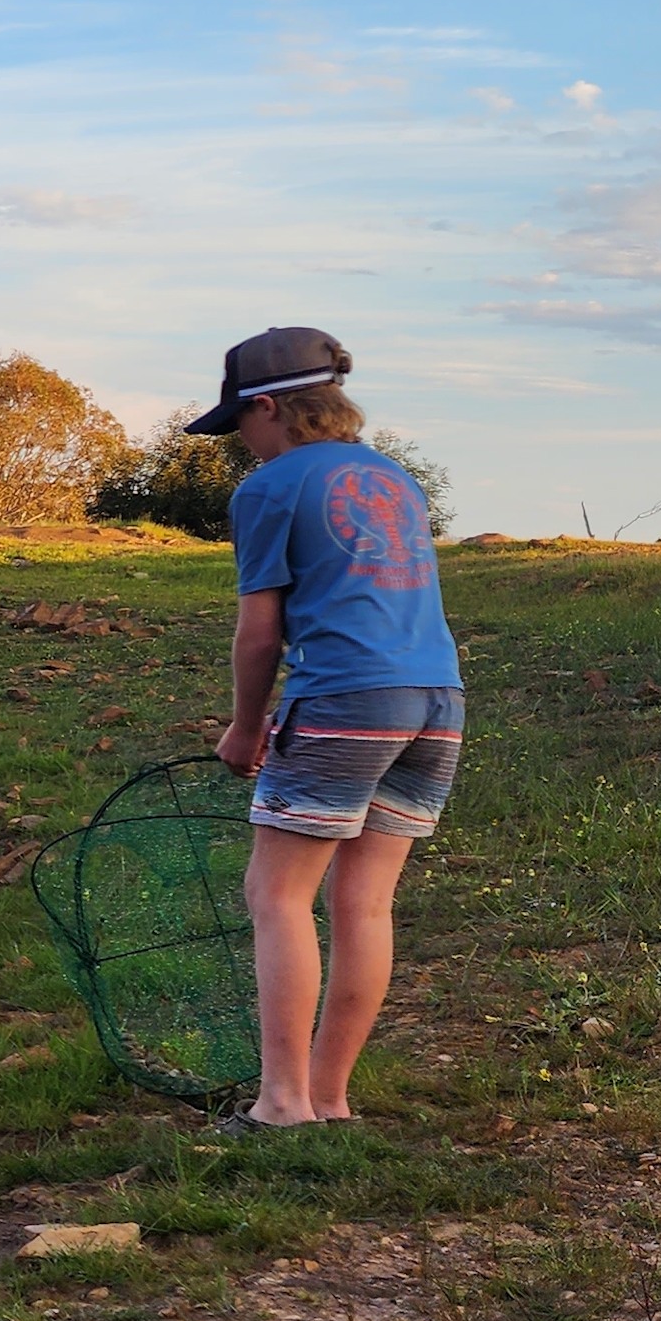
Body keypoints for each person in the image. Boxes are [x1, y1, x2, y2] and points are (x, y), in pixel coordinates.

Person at [192, 326, 461, 1129]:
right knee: (365, 905)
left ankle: (281, 1103)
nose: (240, 443)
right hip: (436, 703)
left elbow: (260, 633)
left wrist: (245, 729)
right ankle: (331, 1098)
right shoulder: (395, 478)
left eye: (240, 424)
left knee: (275, 895)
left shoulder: (269, 488)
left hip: (344, 703)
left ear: (269, 408)